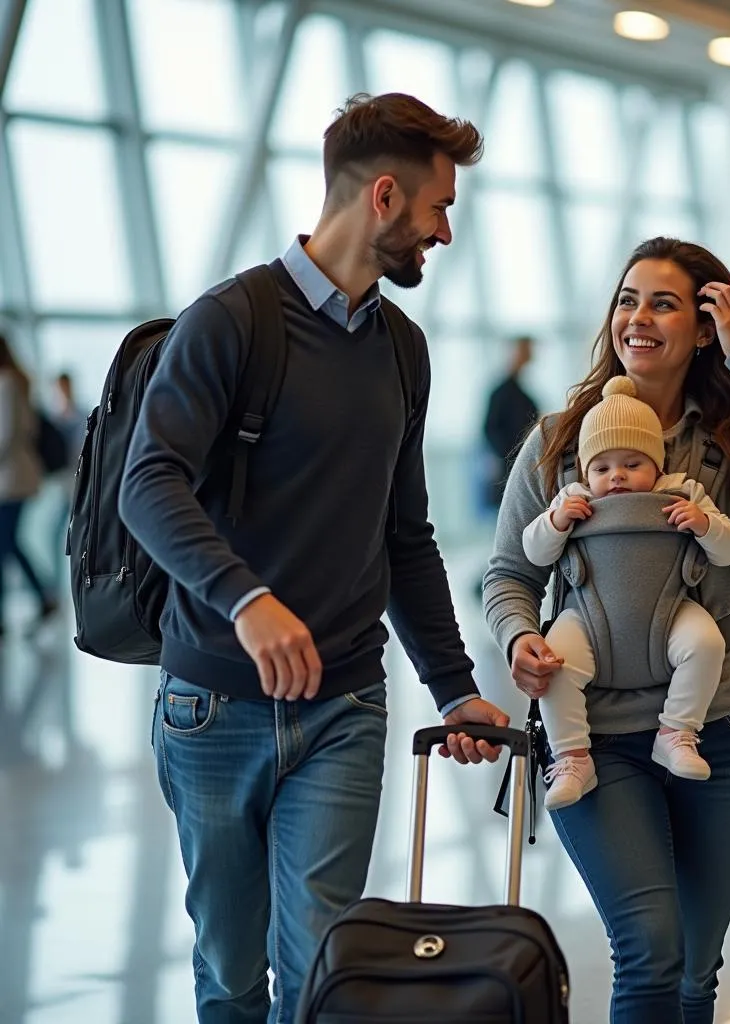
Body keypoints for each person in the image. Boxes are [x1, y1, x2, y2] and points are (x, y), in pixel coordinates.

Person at [118, 93, 510, 1023]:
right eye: (438, 208)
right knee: (229, 969)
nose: (444, 232)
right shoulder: (230, 322)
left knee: (321, 966)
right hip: (214, 701)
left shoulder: (403, 352)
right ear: (383, 197)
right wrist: (246, 600)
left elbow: (404, 532)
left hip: (343, 703)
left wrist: (453, 686)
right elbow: (148, 482)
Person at [483, 237, 730, 1023]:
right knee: (649, 948)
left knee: (695, 971)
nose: (637, 317)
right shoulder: (554, 444)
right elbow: (509, 574)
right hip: (596, 739)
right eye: (627, 299)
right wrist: (517, 639)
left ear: (703, 328)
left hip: (722, 728)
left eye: (664, 303)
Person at [522, 375, 730, 808]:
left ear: (658, 464)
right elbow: (533, 551)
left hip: (670, 609)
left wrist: (703, 523)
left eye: (631, 463)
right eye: (601, 468)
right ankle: (571, 756)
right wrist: (556, 521)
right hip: (586, 614)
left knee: (706, 643)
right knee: (555, 663)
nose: (616, 477)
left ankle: (677, 730)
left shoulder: (682, 491)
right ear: (586, 471)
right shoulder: (574, 495)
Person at [0, 335, 58, 639]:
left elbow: (6, 434)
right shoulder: (16, 382)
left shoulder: (8, 383)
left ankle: (44, 597)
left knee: (5, 544)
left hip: (11, 480)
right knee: (8, 544)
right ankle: (44, 597)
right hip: (12, 478)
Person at [482, 335, 539, 509]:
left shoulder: (523, 394)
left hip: (521, 462)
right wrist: (507, 457)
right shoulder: (502, 392)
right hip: (508, 465)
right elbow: (489, 429)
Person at [50, 372, 86, 583]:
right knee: (56, 534)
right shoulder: (55, 418)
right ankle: (56, 582)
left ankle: (81, 575)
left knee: (78, 531)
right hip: (63, 483)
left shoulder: (82, 415)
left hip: (78, 482)